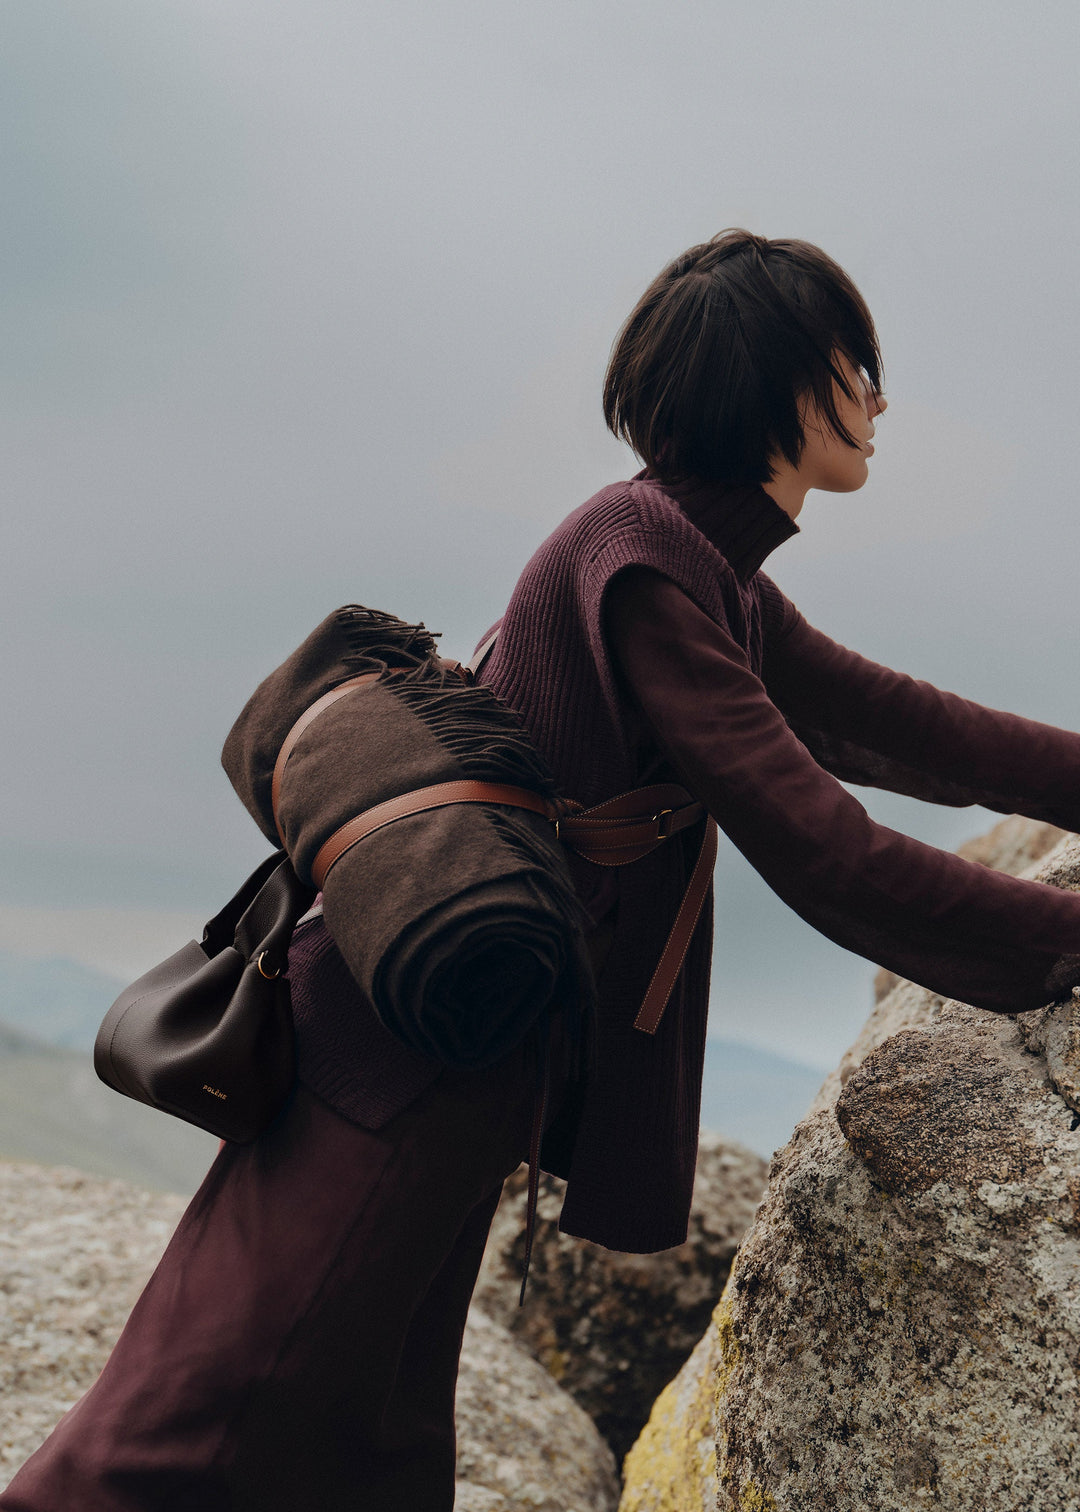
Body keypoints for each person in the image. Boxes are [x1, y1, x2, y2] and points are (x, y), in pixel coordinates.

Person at [6, 228, 1080, 1510]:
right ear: (777, 380)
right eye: (857, 364)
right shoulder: (640, 560)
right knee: (202, 1417)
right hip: (397, 1059)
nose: (878, 398)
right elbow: (819, 844)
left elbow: (900, 725)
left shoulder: (700, 565)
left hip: (452, 1048)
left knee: (373, 1434)